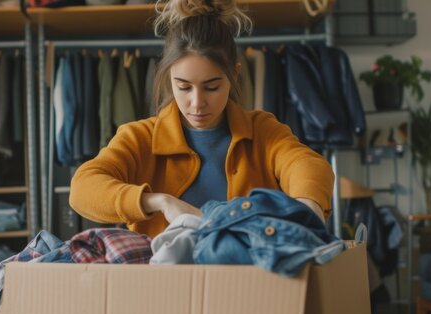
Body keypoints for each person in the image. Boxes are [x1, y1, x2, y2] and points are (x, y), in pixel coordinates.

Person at [69, 0, 334, 238]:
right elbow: (83, 188)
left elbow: (306, 164)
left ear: (234, 74)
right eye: (183, 87)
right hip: (166, 287)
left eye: (211, 87)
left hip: (248, 282)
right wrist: (159, 201)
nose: (196, 103)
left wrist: (307, 207)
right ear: (168, 76)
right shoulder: (140, 138)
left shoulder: (263, 130)